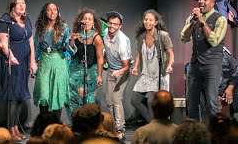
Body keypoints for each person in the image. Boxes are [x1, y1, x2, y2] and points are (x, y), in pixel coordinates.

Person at [180, 0, 228, 121]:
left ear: (212, 3)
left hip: (212, 65)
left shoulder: (220, 19)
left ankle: (216, 136)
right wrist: (193, 23)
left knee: (212, 103)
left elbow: (214, 40)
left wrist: (202, 21)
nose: (200, 1)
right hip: (195, 65)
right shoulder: (193, 18)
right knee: (191, 102)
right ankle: (195, 134)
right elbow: (183, 38)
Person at [0, 0, 37, 141]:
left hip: (24, 61)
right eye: (19, 3)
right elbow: (3, 42)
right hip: (12, 61)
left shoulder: (26, 20)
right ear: (13, 6)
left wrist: (33, 62)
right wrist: (10, 56)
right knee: (12, 96)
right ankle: (10, 130)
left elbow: (31, 42)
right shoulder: (5, 20)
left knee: (20, 95)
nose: (22, 5)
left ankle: (16, 128)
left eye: (23, 3)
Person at [33, 2, 76, 120]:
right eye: (49, 10)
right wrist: (33, 64)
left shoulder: (64, 27)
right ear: (45, 12)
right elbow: (36, 47)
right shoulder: (40, 28)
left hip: (59, 61)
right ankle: (43, 127)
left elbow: (67, 46)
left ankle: (56, 128)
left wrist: (71, 41)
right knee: (44, 94)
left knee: (57, 94)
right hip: (45, 61)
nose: (52, 12)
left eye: (54, 10)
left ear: (58, 11)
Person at [131, 9, 174, 123]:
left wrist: (169, 65)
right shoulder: (141, 37)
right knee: (134, 101)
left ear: (156, 22)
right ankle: (153, 122)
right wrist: (135, 67)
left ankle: (153, 126)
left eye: (150, 20)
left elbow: (171, 53)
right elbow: (139, 55)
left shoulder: (162, 36)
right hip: (146, 74)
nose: (147, 22)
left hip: (159, 74)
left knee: (151, 102)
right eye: (146, 19)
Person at [68, 8, 104, 118]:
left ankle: (90, 123)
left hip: (90, 70)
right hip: (75, 69)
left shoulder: (96, 37)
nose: (87, 21)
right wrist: (71, 40)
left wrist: (99, 75)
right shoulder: (77, 35)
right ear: (81, 21)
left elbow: (100, 58)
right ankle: (76, 122)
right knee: (73, 97)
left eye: (89, 19)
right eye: (85, 19)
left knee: (88, 98)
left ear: (93, 23)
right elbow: (71, 51)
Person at [104, 11, 131, 140]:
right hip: (111, 70)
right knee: (109, 100)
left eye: (115, 24)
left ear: (120, 26)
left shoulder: (123, 41)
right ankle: (112, 127)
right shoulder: (105, 33)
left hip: (123, 71)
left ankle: (120, 130)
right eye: (110, 23)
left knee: (116, 99)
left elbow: (126, 66)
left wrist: (118, 72)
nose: (112, 26)